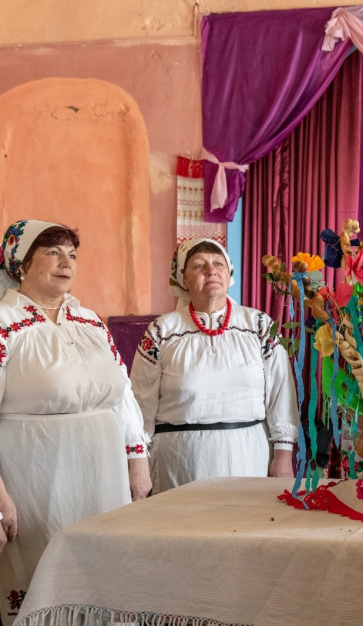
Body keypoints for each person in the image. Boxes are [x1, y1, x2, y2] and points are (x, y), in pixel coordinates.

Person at [0, 220, 150, 618]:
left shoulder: (89, 321)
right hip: (35, 478)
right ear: (20, 263)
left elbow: (121, 392)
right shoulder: (4, 324)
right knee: (45, 575)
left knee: (105, 570)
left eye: (73, 255)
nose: (66, 262)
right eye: (52, 252)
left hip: (103, 472)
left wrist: (137, 459)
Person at [130, 239, 298, 494]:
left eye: (218, 263)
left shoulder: (259, 326)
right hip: (180, 464)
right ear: (182, 280)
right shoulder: (161, 332)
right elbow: (140, 405)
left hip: (248, 458)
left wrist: (283, 456)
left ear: (229, 274)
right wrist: (138, 464)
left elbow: (281, 393)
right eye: (199, 265)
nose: (211, 270)